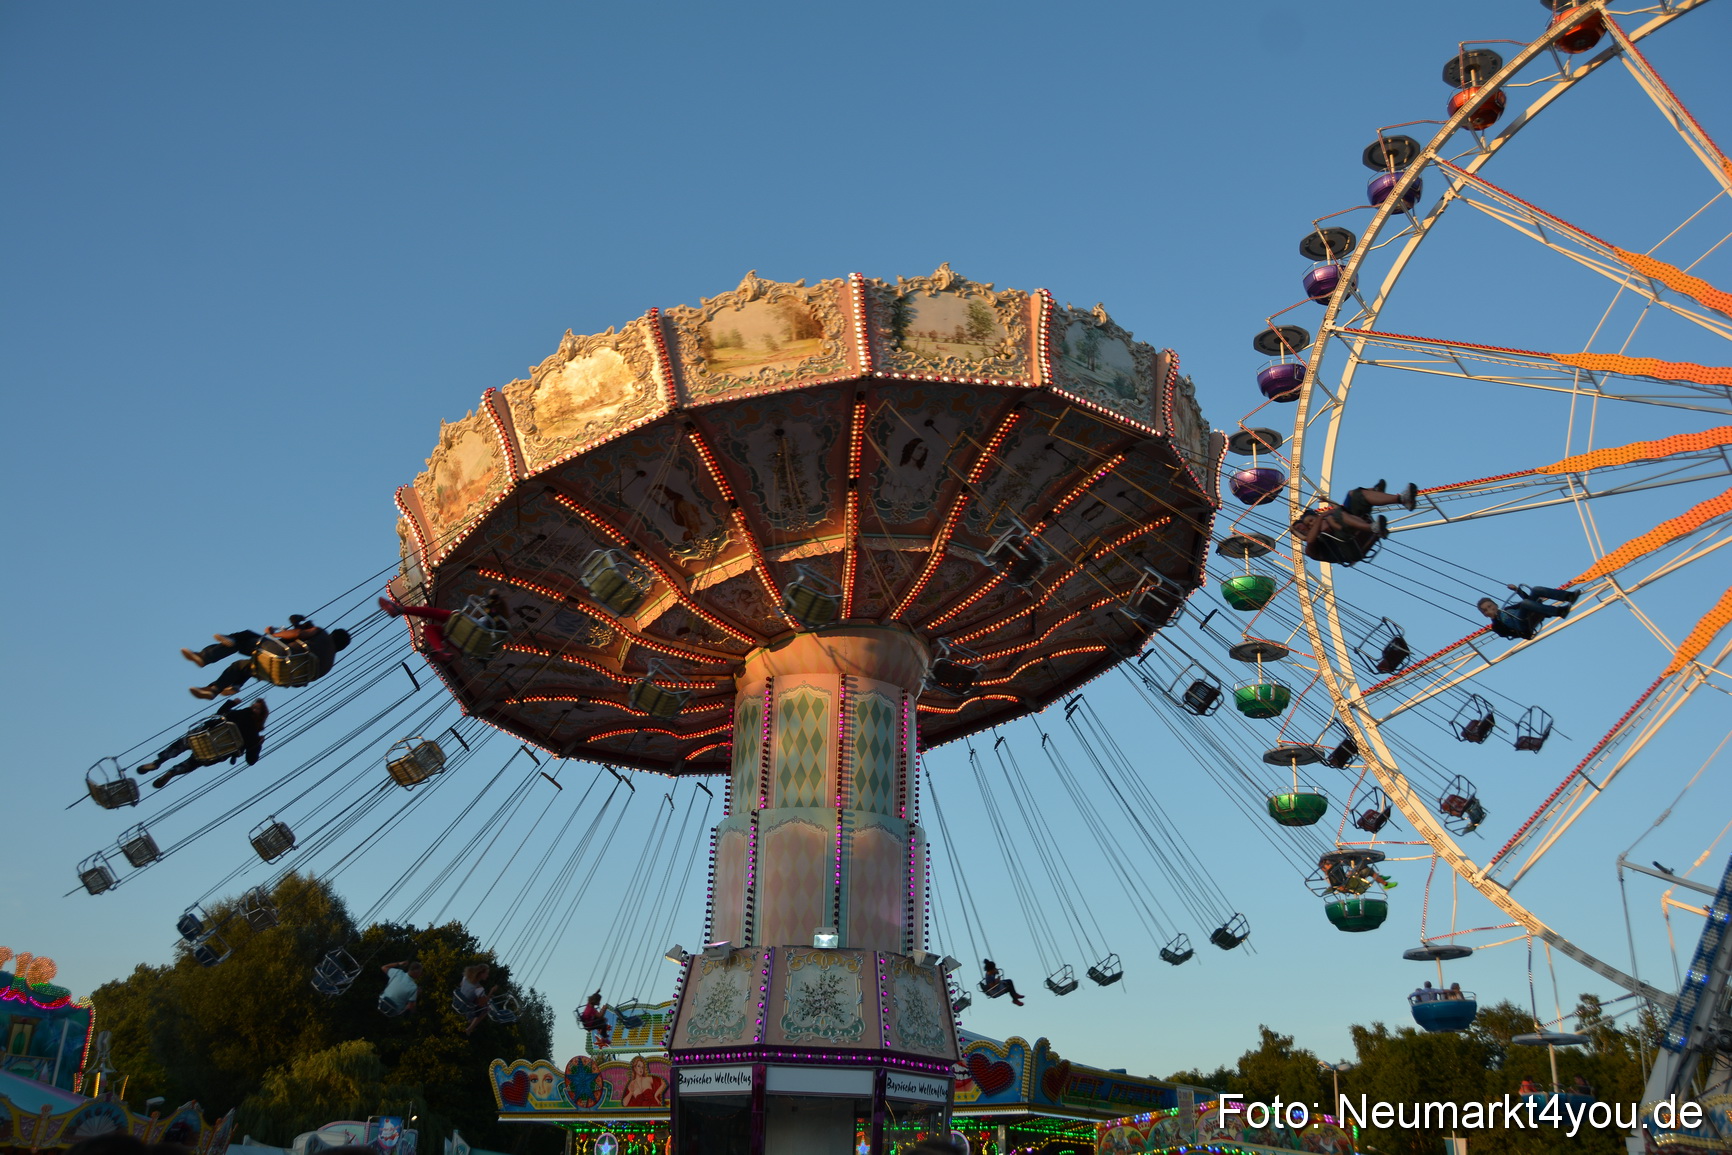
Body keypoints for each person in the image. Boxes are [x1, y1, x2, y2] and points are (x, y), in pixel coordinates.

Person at [184, 616, 351, 699]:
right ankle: (216, 688)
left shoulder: (322, 634)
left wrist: (274, 633)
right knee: (241, 665)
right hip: (286, 677)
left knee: (245, 638)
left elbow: (297, 633)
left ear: (333, 634)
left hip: (281, 656)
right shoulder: (329, 665)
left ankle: (205, 657)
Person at [136, 700, 269, 790]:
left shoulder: (241, 714)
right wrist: (258, 745)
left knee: (182, 744)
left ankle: (158, 762)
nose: (252, 708)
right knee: (194, 762)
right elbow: (251, 760)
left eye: (255, 707)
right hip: (215, 752)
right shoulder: (253, 736)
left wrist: (231, 703)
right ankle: (172, 772)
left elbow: (221, 713)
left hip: (205, 735)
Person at [1290, 480, 1417, 565]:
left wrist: (1326, 509)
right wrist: (1322, 516)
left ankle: (1401, 499)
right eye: (1301, 531)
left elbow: (1337, 509)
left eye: (1303, 526)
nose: (1305, 528)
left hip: (1351, 527)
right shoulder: (1312, 549)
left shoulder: (1325, 520)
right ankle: (1372, 527)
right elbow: (1310, 539)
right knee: (1335, 517)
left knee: (1353, 494)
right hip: (1348, 548)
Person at [378, 590, 508, 662]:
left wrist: (493, 596)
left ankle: (401, 609)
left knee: (444, 615)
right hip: (467, 643)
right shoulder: (498, 631)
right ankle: (440, 650)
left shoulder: (496, 618)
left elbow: (493, 596)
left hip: (472, 632)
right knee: (430, 628)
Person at [1477, 584, 1580, 640]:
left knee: (1536, 590)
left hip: (1525, 616)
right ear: (1485, 614)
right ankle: (1559, 611)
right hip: (1521, 626)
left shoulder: (1507, 609)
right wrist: (1494, 618)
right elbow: (1504, 633)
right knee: (1525, 604)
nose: (1490, 609)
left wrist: (1517, 590)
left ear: (1495, 605)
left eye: (1490, 606)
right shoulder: (1496, 626)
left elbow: (1528, 601)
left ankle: (1568, 596)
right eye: (1486, 610)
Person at [456, 963, 496, 1035]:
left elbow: (461, 985)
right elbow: (483, 1003)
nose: (487, 976)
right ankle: (470, 1028)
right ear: (481, 974)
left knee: (476, 999)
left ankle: (470, 1021)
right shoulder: (479, 988)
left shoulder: (466, 977)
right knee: (486, 1008)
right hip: (466, 1007)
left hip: (457, 1001)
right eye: (486, 973)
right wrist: (491, 992)